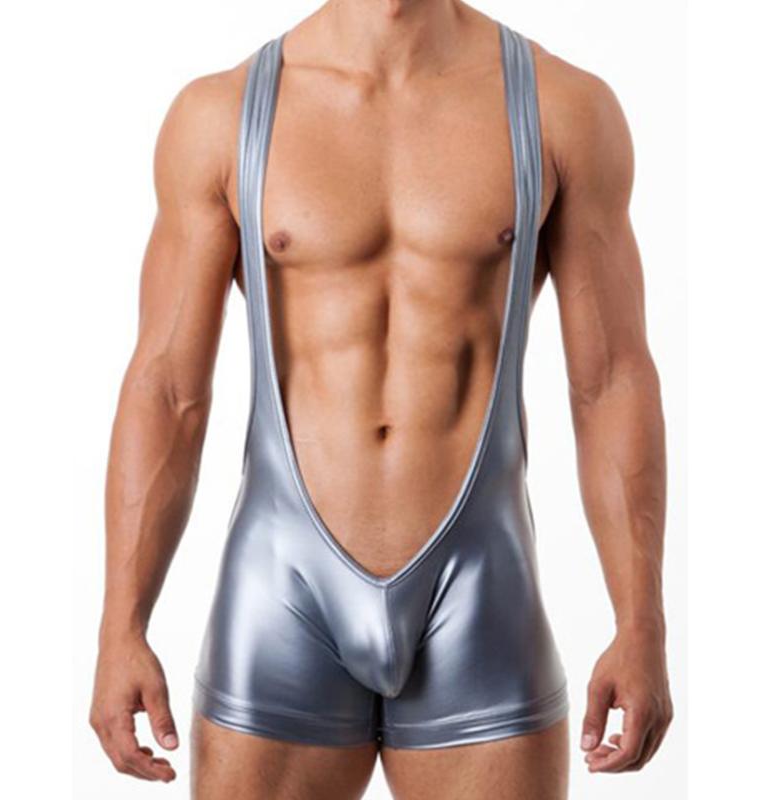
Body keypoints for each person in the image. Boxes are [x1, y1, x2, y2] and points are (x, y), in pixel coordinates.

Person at [89, 2, 673, 798]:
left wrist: (641, 624)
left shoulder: (562, 107)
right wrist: (121, 626)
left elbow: (610, 382)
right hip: (281, 584)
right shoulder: (220, 114)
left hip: (481, 583)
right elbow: (167, 387)